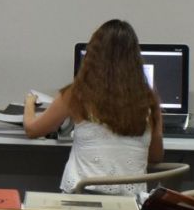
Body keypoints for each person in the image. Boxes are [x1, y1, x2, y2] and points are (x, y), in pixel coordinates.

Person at [22, 18, 164, 192]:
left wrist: (30, 103)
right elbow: (156, 156)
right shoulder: (149, 99)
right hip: (130, 203)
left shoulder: (76, 93)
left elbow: (33, 130)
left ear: (92, 55)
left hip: (83, 199)